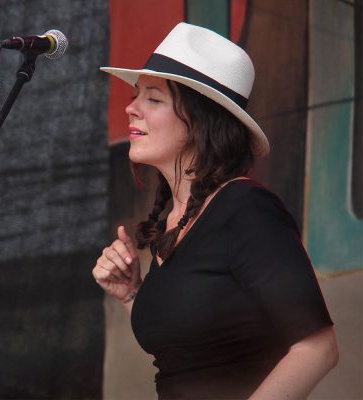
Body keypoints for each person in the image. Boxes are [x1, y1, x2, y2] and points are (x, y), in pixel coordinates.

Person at [93, 22, 338, 399]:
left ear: (198, 122)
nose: (131, 107)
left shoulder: (246, 209)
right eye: (136, 95)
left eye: (153, 99)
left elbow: (317, 349)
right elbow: (192, 354)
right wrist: (130, 296)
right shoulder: (175, 224)